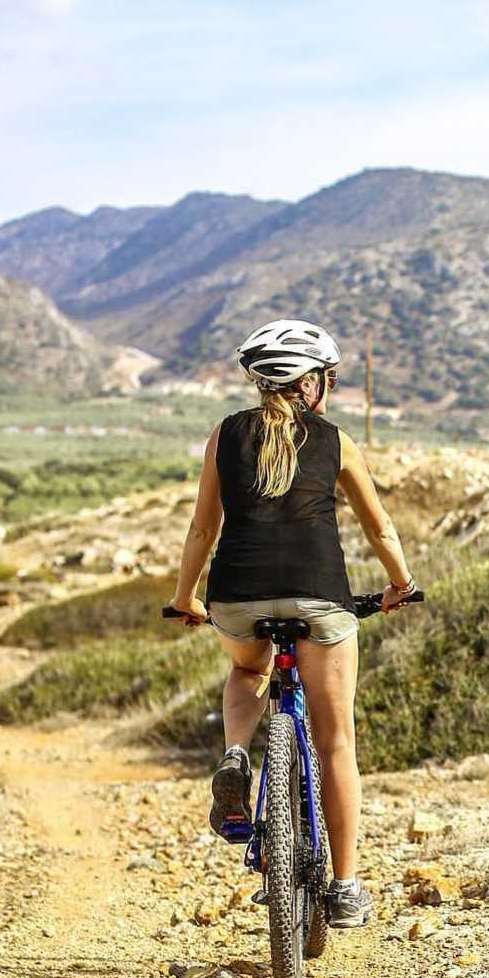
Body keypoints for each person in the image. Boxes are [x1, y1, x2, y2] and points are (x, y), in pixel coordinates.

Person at [166, 319, 414, 929]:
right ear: (315, 385)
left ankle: (233, 753)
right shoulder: (336, 441)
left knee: (246, 670)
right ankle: (347, 885)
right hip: (320, 599)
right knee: (334, 741)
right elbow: (379, 527)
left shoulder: (224, 436)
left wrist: (185, 598)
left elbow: (203, 529)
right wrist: (401, 586)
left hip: (238, 598)